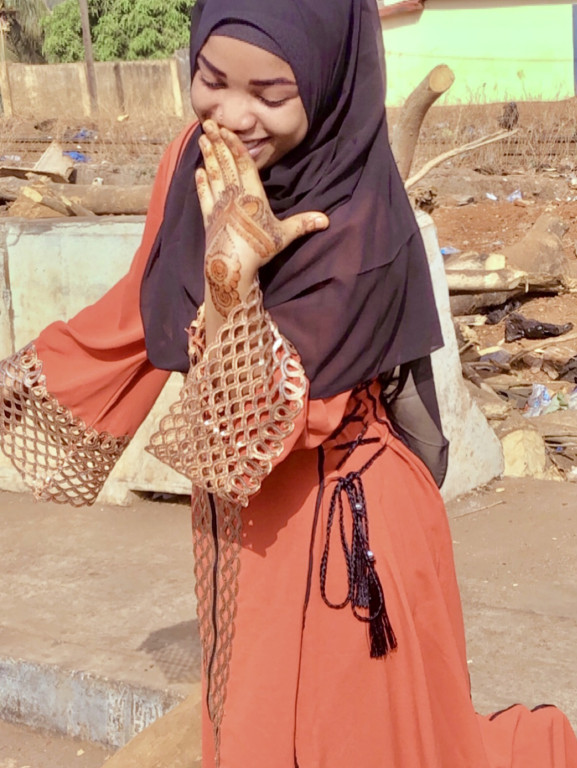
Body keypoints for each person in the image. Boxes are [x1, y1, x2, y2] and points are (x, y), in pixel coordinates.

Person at [1, 1, 576, 767]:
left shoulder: (356, 215)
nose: (232, 116)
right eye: (211, 79)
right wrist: (15, 393)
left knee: (355, 742)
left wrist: (233, 279)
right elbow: (135, 311)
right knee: (253, 726)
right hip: (243, 528)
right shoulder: (194, 160)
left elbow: (251, 427)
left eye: (270, 94)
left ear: (327, 79)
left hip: (348, 531)